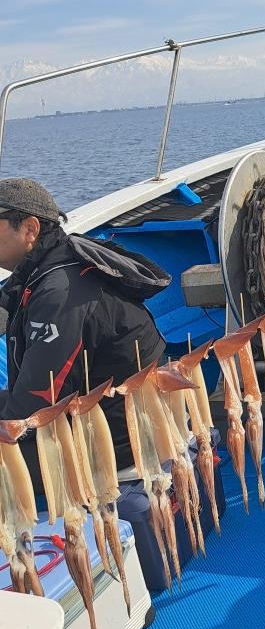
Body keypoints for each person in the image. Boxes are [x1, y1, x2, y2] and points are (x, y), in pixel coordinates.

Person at [0, 178, 169, 483]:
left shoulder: (60, 292)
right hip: (103, 416)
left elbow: (35, 406)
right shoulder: (53, 265)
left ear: (30, 229)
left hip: (114, 442)